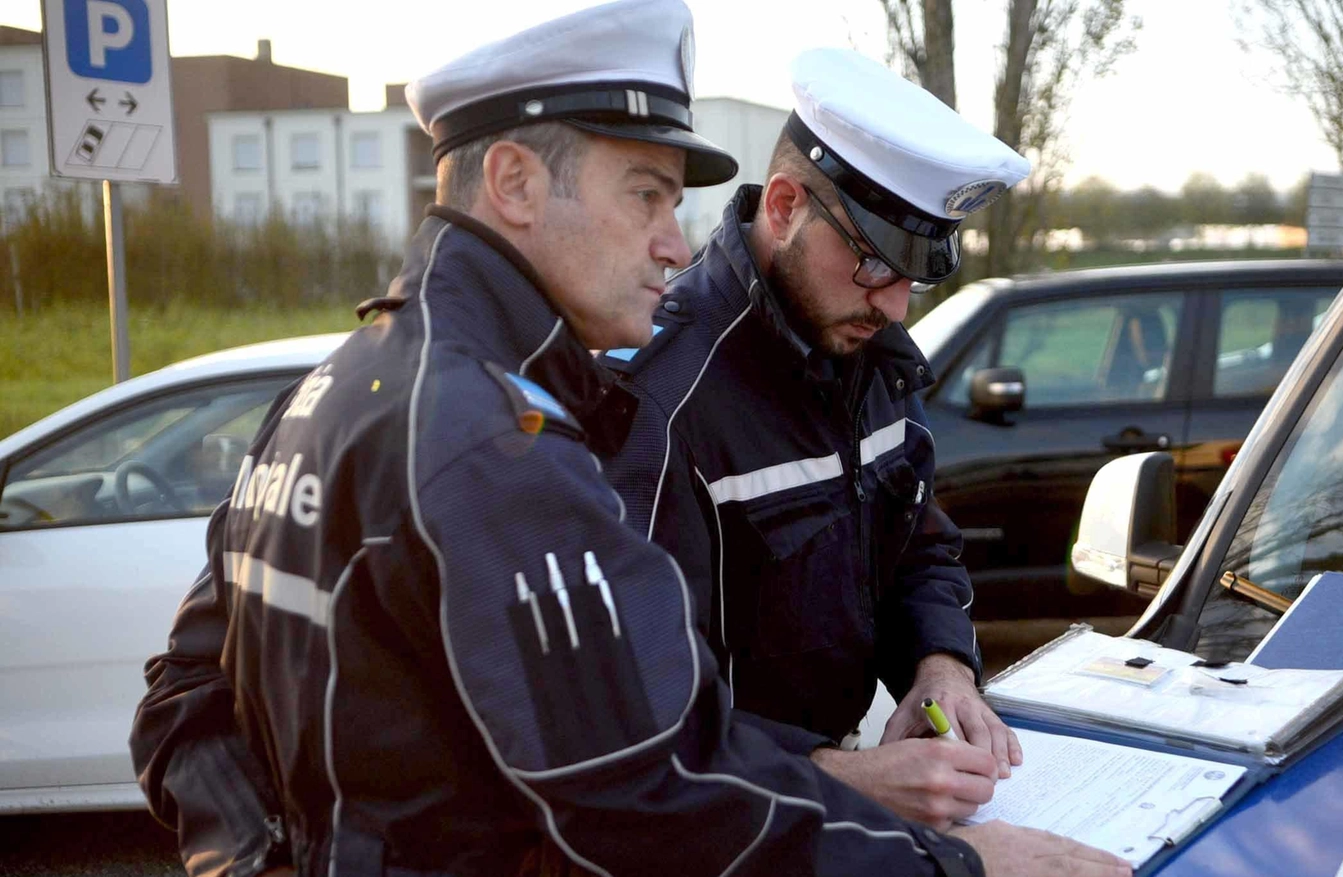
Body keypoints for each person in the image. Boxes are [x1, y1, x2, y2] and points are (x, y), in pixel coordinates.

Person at [127, 3, 1130, 876]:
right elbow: (654, 794)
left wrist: (268, 858)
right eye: (645, 194)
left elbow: (182, 697)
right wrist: (949, 863)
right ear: (515, 183)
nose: (673, 240)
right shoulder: (493, 441)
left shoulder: (339, 386)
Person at [600, 47, 1032, 829]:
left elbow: (919, 550)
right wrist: (846, 781)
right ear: (784, 204)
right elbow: (633, 705)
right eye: (873, 262)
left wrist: (942, 668)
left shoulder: (872, 360)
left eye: (917, 274)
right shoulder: (660, 396)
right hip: (723, 828)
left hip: (832, 793)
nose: (896, 306)